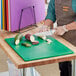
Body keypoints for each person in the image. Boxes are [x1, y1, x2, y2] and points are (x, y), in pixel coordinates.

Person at [39, 0, 76, 76]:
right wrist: (46, 25)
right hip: (63, 38)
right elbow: (51, 14)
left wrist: (65, 28)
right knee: (64, 67)